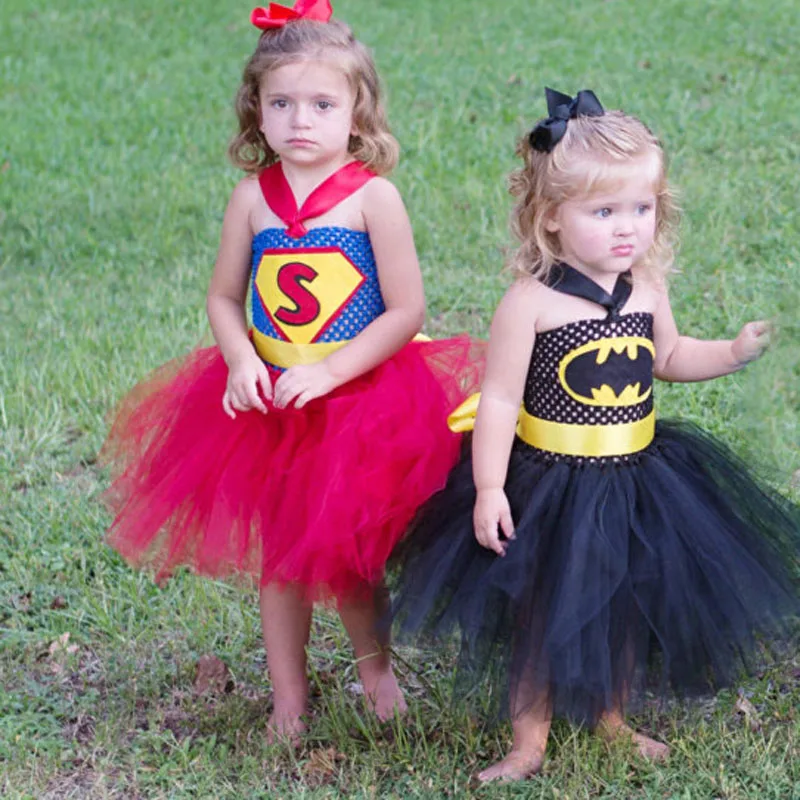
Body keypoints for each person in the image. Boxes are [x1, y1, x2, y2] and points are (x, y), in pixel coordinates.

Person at [391, 88, 800, 782]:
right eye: (604, 212)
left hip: (637, 476)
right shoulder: (531, 303)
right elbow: (499, 400)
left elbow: (669, 357)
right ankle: (528, 739)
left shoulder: (646, 288)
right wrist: (489, 486)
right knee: (539, 613)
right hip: (551, 482)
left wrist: (731, 352)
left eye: (642, 208)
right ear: (551, 217)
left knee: (623, 603)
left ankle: (612, 718)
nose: (627, 229)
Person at [101, 0, 480, 743]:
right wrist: (241, 359)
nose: (300, 120)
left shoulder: (373, 198)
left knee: (351, 559)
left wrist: (332, 371)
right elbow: (223, 296)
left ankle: (378, 678)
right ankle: (288, 701)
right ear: (256, 110)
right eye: (281, 103)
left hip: (356, 399)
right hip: (270, 402)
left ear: (358, 110)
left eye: (322, 104)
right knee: (281, 563)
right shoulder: (252, 199)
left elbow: (406, 310)